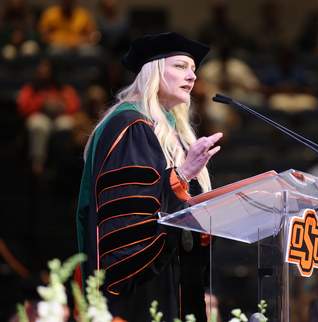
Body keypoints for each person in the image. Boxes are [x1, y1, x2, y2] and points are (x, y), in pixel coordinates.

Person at [75, 32, 222, 322]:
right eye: (181, 66)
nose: (192, 77)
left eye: (193, 69)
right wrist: (181, 176)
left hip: (172, 278)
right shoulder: (130, 124)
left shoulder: (167, 131)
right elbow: (128, 222)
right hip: (142, 289)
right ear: (153, 71)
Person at [16, 58, 81, 177]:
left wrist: (61, 105)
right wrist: (40, 101)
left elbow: (74, 107)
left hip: (59, 119)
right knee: (39, 124)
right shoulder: (31, 88)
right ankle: (38, 163)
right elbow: (22, 108)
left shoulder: (63, 88)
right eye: (41, 68)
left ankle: (62, 164)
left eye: (47, 68)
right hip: (40, 117)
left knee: (67, 123)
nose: (44, 71)